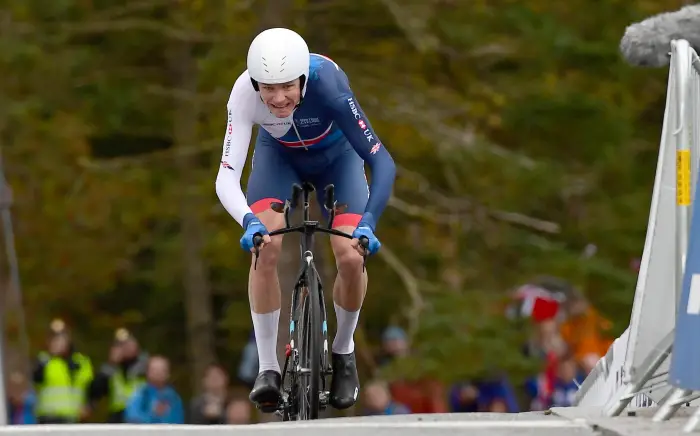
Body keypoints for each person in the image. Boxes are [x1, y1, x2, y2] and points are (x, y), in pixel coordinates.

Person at [215, 27, 396, 412]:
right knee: (266, 247)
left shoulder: (328, 85)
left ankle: (343, 352)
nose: (278, 99)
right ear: (254, 83)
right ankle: (268, 369)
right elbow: (226, 175)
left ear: (302, 79)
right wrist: (249, 221)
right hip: (278, 159)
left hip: (338, 160)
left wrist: (369, 222)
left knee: (350, 256)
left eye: (287, 87)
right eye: (268, 88)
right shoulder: (244, 95)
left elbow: (381, 160)